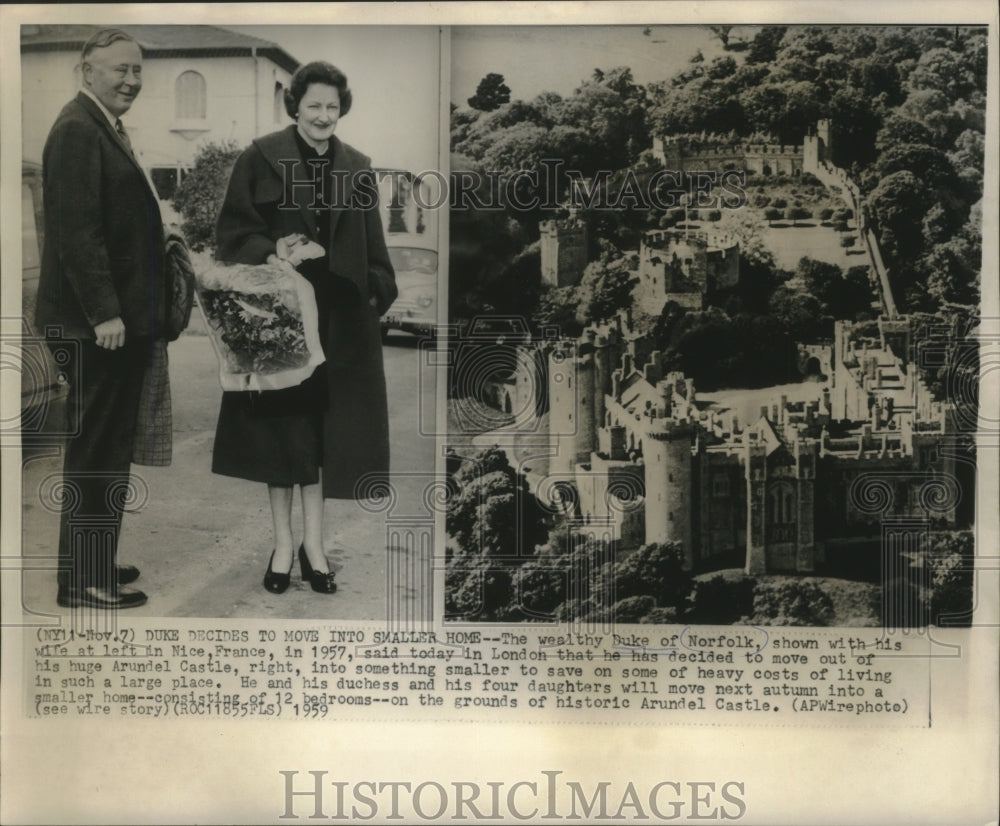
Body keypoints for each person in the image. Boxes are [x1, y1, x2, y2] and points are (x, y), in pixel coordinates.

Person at [212, 61, 397, 595]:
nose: (323, 116)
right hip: (279, 324)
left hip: (338, 323)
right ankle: (282, 545)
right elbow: (232, 235)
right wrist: (275, 251)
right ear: (295, 106)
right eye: (313, 105)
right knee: (281, 438)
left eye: (332, 107)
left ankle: (315, 547)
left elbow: (375, 249)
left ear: (343, 109)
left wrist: (373, 290)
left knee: (324, 439)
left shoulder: (358, 168)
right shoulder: (260, 157)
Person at [36, 28, 166, 609]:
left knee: (108, 447)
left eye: (137, 70)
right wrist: (106, 313)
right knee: (95, 450)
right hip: (97, 328)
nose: (131, 81)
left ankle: (94, 561)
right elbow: (76, 237)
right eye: (120, 70)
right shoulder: (74, 131)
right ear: (87, 69)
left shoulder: (100, 128)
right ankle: (81, 580)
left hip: (112, 324)